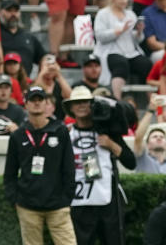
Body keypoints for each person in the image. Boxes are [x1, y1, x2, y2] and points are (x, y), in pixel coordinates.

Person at [3, 86, 76, 245]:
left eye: (40, 100)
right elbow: (10, 172)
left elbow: (69, 168)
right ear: (26, 104)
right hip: (27, 206)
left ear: (46, 103)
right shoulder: (18, 135)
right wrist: (15, 199)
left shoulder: (60, 131)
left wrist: (66, 198)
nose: (36, 103)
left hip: (58, 205)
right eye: (32, 100)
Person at [65, 86, 136, 245]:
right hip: (79, 203)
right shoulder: (65, 136)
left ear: (93, 105)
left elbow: (131, 162)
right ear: (71, 108)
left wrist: (111, 145)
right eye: (77, 102)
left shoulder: (109, 132)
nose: (82, 105)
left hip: (107, 201)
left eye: (86, 102)